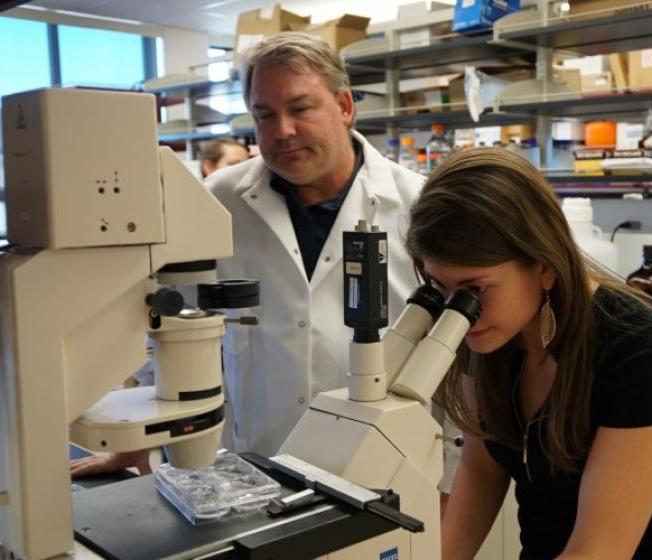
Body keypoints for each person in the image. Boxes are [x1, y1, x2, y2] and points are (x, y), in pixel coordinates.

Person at [70, 32, 424, 476]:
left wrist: (448, 469)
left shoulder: (419, 205)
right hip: (250, 465)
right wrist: (142, 437)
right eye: (264, 114)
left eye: (300, 109)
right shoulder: (216, 200)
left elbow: (455, 362)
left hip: (382, 462)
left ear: (345, 106)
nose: (283, 131)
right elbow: (166, 326)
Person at [406, 148, 652, 560]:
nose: (460, 313)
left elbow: (599, 551)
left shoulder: (642, 348)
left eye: (474, 289)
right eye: (441, 287)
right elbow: (481, 471)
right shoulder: (488, 333)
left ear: (544, 265)